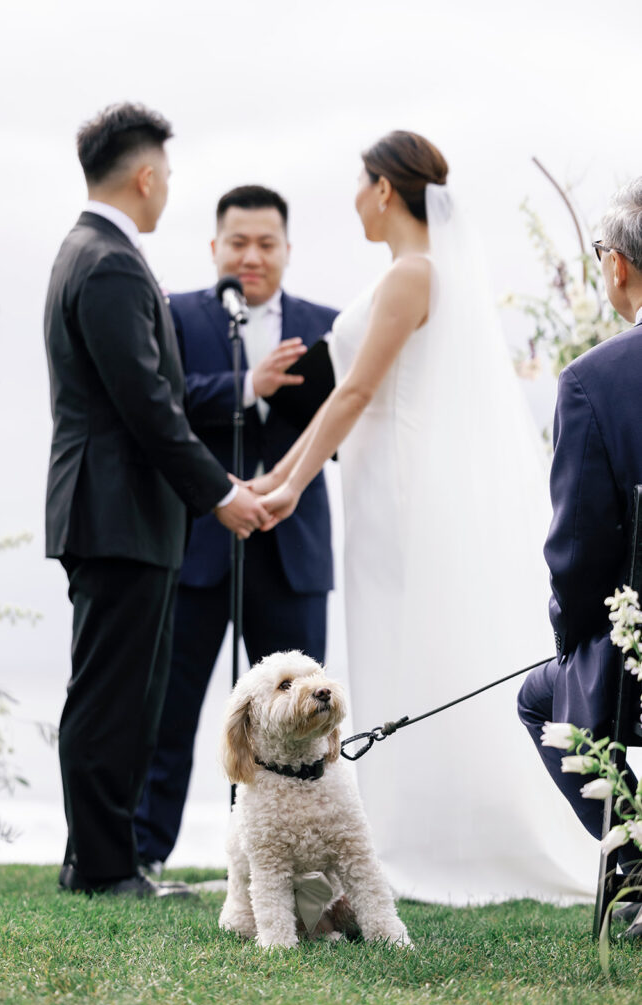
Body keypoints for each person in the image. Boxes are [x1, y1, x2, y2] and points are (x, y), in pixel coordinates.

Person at [253, 130, 596, 903]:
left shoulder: (413, 274)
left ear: (382, 188)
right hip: (374, 487)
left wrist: (290, 486)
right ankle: (393, 824)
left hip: (399, 491)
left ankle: (420, 833)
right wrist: (279, 477)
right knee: (383, 644)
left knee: (408, 643)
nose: (352, 203)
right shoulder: (406, 273)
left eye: (358, 185)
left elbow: (354, 393)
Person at [44, 103, 269, 897]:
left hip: (125, 512)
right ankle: (103, 869)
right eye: (166, 174)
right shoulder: (105, 261)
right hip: (115, 511)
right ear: (145, 176)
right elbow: (146, 403)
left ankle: (100, 861)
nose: (167, 187)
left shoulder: (95, 252)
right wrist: (219, 495)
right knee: (110, 695)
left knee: (124, 691)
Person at [134, 185, 338, 874]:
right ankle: (143, 854)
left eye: (266, 243)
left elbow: (344, 429)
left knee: (301, 722)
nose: (251, 256)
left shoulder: (326, 325)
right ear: (214, 247)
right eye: (237, 243)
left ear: (287, 248)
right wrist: (246, 384)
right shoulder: (175, 314)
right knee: (170, 710)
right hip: (195, 545)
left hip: (293, 552)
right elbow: (159, 400)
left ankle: (289, 866)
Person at [518, 178, 642, 935]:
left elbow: (576, 553)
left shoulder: (595, 382)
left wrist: (570, 640)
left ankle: (635, 868)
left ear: (617, 266)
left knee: (540, 699)